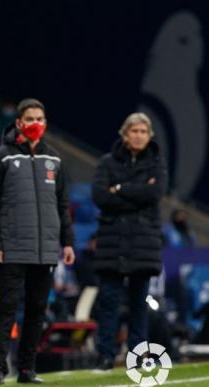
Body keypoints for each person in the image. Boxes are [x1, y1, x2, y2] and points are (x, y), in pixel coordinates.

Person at [0, 98, 75, 385]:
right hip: (11, 248)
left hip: (45, 249)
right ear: (19, 123)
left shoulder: (54, 160)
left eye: (40, 119)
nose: (36, 124)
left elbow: (62, 206)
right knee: (7, 307)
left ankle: (27, 369)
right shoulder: (1, 157)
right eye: (30, 119)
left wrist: (67, 242)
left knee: (36, 311)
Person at [91, 112, 167, 371]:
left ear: (150, 137)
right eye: (134, 131)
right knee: (109, 302)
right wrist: (137, 190)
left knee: (139, 303)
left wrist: (120, 189)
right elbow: (100, 196)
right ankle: (105, 355)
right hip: (112, 242)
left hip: (142, 244)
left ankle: (138, 356)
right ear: (124, 135)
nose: (138, 136)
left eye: (143, 132)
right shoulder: (107, 162)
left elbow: (154, 193)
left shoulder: (156, 164)